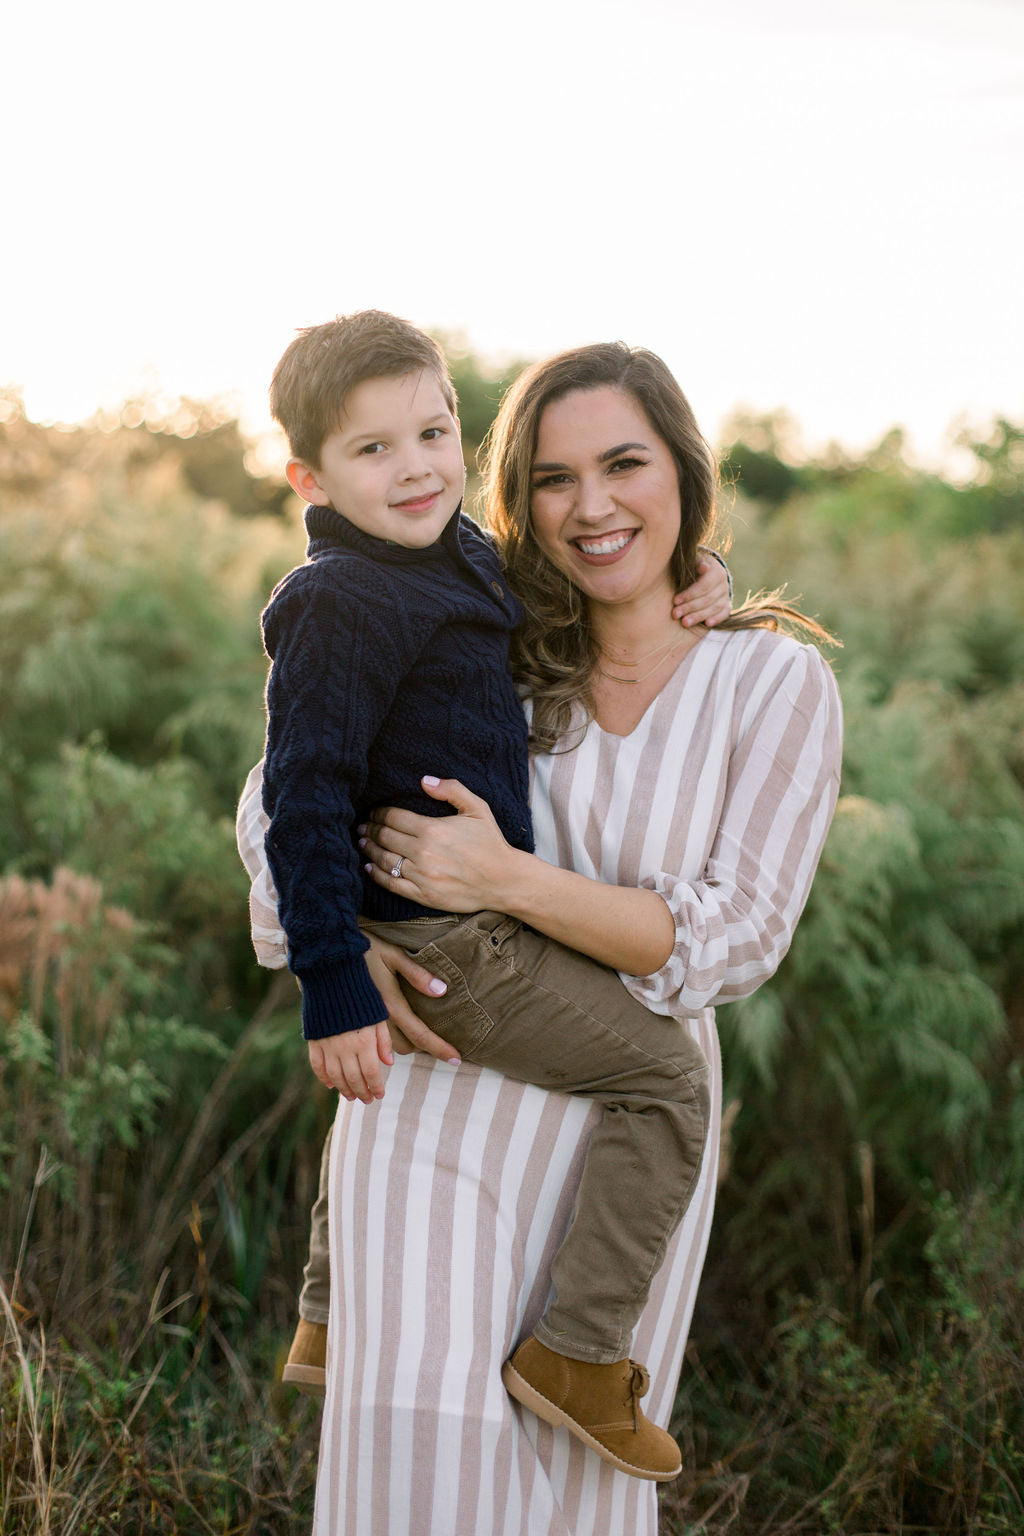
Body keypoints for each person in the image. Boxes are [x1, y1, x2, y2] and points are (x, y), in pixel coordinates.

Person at [239, 337, 842, 1534]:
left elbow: (732, 940)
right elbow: (282, 800)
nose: (593, 504)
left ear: (682, 469)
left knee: (565, 1497)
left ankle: (571, 1349)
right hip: (434, 1107)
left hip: (614, 1154)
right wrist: (345, 949)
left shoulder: (769, 686)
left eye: (624, 464)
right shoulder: (495, 643)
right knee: (421, 1473)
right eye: (554, 479)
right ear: (518, 500)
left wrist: (507, 880)